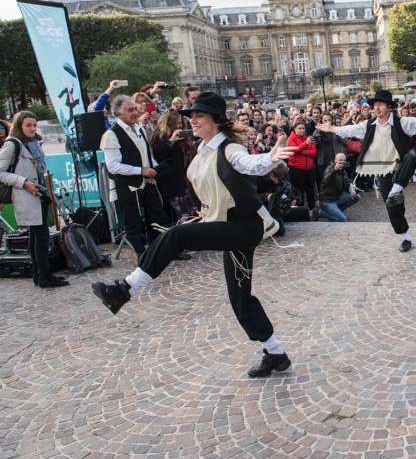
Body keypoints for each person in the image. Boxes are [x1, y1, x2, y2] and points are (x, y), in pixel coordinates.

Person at [91, 92, 296, 378]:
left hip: (241, 227)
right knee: (240, 297)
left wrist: (270, 158)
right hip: (229, 226)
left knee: (178, 236)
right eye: (192, 116)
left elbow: (247, 164)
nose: (193, 120)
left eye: (199, 116)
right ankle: (275, 353)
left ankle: (126, 289)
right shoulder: (203, 149)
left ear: (215, 120)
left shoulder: (228, 148)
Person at [315, 89, 416, 252]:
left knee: (411, 158)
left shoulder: (400, 123)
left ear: (389, 107)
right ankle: (405, 237)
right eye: (374, 105)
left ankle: (396, 190)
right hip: (383, 171)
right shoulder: (369, 125)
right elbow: (350, 130)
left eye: (380, 104)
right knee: (393, 208)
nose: (376, 108)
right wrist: (332, 129)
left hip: (400, 168)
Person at [0, 111, 69, 288]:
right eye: (28, 125)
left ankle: (39, 275)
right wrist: (24, 183)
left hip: (36, 192)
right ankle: (44, 275)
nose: (32, 128)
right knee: (41, 233)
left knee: (36, 234)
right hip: (25, 193)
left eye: (34, 125)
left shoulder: (31, 143)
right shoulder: (12, 144)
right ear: (19, 126)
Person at [100, 95, 171, 259]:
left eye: (134, 109)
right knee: (134, 221)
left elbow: (146, 155)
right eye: (130, 110)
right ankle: (142, 255)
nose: (134, 112)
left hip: (148, 182)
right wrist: (140, 170)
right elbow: (113, 166)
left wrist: (153, 167)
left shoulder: (139, 129)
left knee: (158, 216)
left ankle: (162, 250)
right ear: (119, 113)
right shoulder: (112, 134)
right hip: (129, 185)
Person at [318, 153, 361, 222]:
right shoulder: (329, 168)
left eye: (344, 160)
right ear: (335, 160)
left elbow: (347, 183)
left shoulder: (343, 171)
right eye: (340, 160)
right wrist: (334, 170)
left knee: (357, 197)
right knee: (343, 220)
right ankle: (321, 213)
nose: (342, 162)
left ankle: (336, 213)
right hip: (327, 201)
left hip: (337, 198)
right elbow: (326, 180)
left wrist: (352, 191)